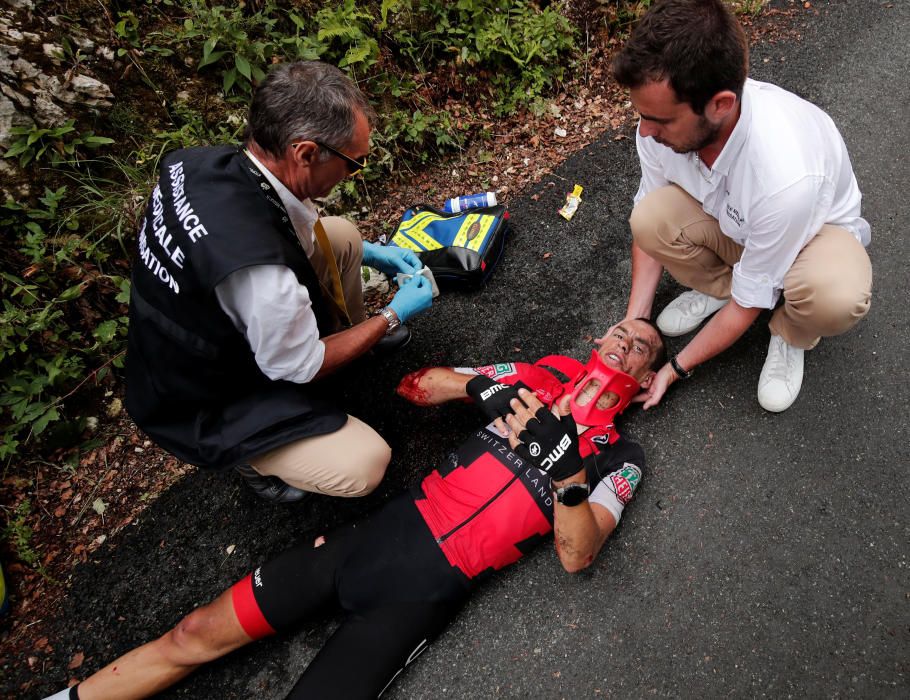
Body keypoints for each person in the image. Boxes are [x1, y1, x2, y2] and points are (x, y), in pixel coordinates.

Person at [43, 319, 665, 700]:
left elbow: (578, 555)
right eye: (622, 331)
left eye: (643, 348)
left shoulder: (624, 455)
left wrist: (568, 472)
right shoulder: (542, 373)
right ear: (597, 340)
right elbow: (417, 385)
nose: (628, 343)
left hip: (426, 590)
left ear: (643, 382)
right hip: (374, 539)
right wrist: (477, 385)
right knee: (193, 633)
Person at [125, 61, 435, 504]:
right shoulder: (265, 280)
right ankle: (252, 461)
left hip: (186, 333)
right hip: (203, 396)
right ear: (305, 153)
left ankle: (350, 344)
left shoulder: (201, 164)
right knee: (365, 464)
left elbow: (276, 226)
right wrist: (392, 314)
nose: (356, 172)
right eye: (354, 163)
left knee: (343, 237)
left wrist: (370, 251)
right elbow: (298, 365)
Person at [604, 0, 872, 413]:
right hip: (743, 225)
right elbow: (650, 215)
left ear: (721, 105)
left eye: (661, 120)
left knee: (833, 296)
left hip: (812, 240)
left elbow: (750, 305)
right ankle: (725, 288)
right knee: (649, 219)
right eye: (642, 115)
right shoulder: (657, 127)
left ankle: (790, 331)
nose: (645, 131)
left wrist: (674, 368)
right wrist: (634, 322)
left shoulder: (782, 176)